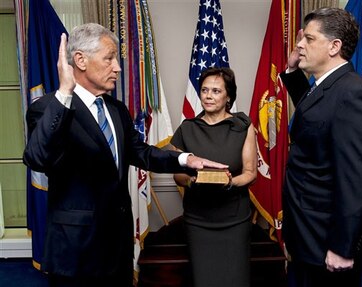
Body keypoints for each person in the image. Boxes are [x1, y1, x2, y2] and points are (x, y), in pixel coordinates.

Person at [23, 23, 228, 287]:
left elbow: (139, 152)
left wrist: (185, 159)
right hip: (76, 252)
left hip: (117, 248)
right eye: (109, 58)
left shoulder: (116, 109)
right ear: (80, 60)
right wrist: (64, 92)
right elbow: (38, 157)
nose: (118, 67)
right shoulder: (48, 108)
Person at [279, 8, 362, 287]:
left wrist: (342, 246)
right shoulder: (329, 87)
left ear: (334, 46)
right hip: (308, 236)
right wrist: (292, 71)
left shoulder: (354, 93)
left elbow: (359, 177)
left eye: (309, 39)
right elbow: (316, 117)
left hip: (328, 242)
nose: (300, 44)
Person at [170, 67, 257, 287]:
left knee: (235, 279)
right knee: (204, 280)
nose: (208, 96)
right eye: (205, 90)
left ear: (228, 96)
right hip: (199, 221)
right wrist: (193, 181)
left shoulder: (243, 126)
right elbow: (178, 175)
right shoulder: (186, 128)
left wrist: (229, 182)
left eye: (216, 91)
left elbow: (250, 173)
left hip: (235, 220)